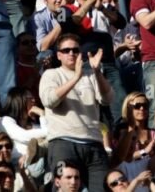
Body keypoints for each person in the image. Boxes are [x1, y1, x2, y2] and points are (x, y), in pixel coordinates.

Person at [39, 34, 113, 192]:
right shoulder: (51, 74)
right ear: (58, 55)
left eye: (75, 50)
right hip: (63, 143)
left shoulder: (92, 75)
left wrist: (97, 72)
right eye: (66, 50)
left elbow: (107, 99)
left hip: (93, 143)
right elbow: (49, 100)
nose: (71, 53)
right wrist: (76, 77)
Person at [111, 93, 155, 182]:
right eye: (137, 106)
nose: (142, 108)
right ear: (128, 108)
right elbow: (121, 157)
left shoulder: (154, 133)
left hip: (146, 174)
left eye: (145, 105)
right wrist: (144, 152)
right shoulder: (122, 131)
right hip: (123, 177)